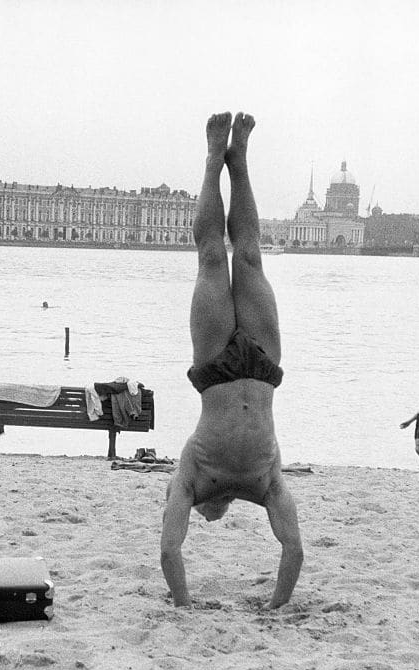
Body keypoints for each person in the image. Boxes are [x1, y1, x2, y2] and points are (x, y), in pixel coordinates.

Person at [160, 111, 303, 611]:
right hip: (262, 366)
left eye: (208, 514)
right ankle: (235, 163)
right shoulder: (264, 482)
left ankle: (214, 161)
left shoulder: (193, 475)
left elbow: (169, 549)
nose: (214, 515)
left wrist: (183, 603)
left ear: (209, 507)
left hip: (218, 366)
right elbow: (293, 549)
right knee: (247, 256)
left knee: (213, 257)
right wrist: (275, 607)